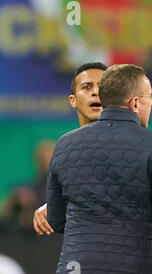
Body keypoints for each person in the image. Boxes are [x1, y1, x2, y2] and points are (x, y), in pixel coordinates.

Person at [46, 64, 152, 274]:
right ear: (135, 103)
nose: (151, 104)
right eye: (150, 98)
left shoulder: (64, 145)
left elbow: (56, 219)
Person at [33, 62, 107, 236]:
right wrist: (50, 207)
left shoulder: (132, 145)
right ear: (72, 100)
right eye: (87, 87)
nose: (96, 92)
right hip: (79, 251)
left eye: (103, 86)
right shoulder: (65, 150)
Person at [1, 140, 55, 235]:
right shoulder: (36, 185)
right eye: (43, 159)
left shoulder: (63, 185)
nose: (46, 161)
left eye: (49, 157)